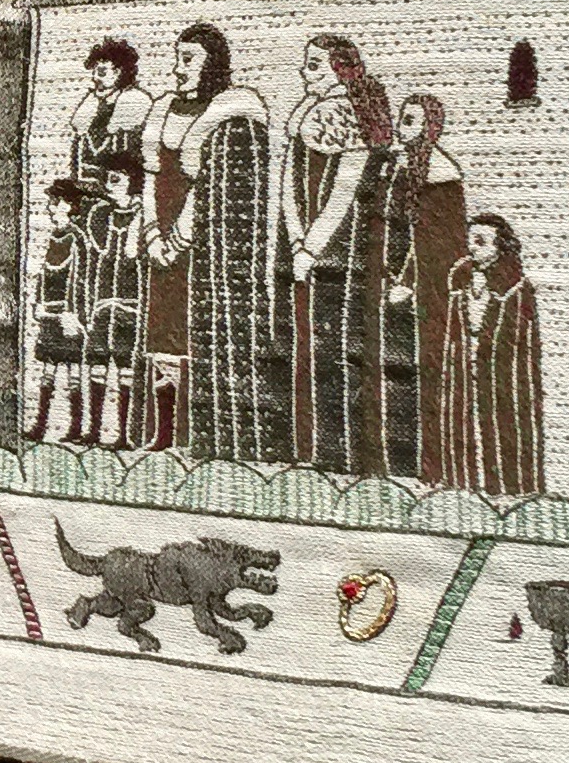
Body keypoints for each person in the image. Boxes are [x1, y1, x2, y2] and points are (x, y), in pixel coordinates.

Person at [136, 23, 276, 459]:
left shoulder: (228, 113)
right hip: (159, 239)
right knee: (161, 333)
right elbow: (150, 178)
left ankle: (197, 430)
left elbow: (207, 185)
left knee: (196, 331)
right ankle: (163, 430)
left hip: (201, 244)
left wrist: (178, 237)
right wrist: (152, 232)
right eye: (177, 58)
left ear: (212, 63)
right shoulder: (162, 109)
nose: (178, 68)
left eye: (189, 59)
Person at [282, 32, 400, 477]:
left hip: (341, 248)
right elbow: (289, 185)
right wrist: (296, 238)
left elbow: (343, 193)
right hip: (303, 246)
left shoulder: (349, 115)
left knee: (339, 346)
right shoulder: (306, 112)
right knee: (307, 343)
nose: (304, 72)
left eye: (314, 64)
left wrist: (310, 246)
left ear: (339, 70)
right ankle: (310, 446)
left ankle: (342, 451)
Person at [380, 92, 467, 480]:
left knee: (424, 371)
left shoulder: (441, 174)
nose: (402, 127)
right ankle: (392, 463)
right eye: (401, 117)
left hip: (425, 292)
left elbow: (439, 244)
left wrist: (409, 282)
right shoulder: (400, 166)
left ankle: (429, 465)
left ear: (430, 127)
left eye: (411, 120)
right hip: (392, 284)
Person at [68, 37, 149, 444]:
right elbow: (75, 168)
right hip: (92, 217)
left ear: (121, 72)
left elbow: (136, 167)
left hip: (123, 213)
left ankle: (127, 430)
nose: (97, 77)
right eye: (95, 70)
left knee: (124, 342)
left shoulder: (134, 113)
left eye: (104, 70)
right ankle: (90, 427)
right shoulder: (88, 116)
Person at [434, 212, 544, 497]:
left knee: (502, 421)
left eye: (481, 241)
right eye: (471, 240)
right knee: (463, 417)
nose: (472, 247)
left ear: (500, 247)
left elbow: (518, 338)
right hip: (465, 366)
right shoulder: (460, 277)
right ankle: (464, 484)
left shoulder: (516, 286)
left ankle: (508, 488)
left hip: (499, 372)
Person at [31, 180, 88, 441]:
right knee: (48, 370)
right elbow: (45, 274)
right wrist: (38, 303)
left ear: (69, 205)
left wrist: (73, 312)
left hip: (67, 314)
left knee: (73, 369)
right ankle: (40, 425)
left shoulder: (76, 238)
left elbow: (79, 278)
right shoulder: (55, 237)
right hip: (49, 313)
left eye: (56, 203)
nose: (52, 208)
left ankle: (75, 427)